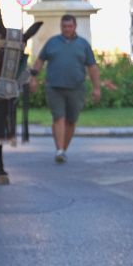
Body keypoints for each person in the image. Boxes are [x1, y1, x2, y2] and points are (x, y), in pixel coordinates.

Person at [28, 14, 100, 162]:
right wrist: (33, 78)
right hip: (54, 87)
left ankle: (63, 149)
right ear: (61, 27)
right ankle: (59, 150)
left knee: (71, 121)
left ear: (75, 27)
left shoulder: (83, 44)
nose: (67, 29)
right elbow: (39, 61)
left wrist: (96, 88)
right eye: (64, 26)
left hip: (76, 88)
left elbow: (92, 67)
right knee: (59, 117)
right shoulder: (52, 43)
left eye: (70, 26)